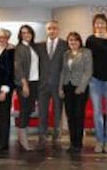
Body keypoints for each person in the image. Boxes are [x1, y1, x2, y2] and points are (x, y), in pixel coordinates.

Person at [85, 14, 107, 153]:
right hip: (95, 80)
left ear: (106, 24)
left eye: (102, 22)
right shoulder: (90, 40)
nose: (99, 25)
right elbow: (87, 60)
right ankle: (99, 141)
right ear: (94, 25)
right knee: (97, 113)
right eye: (97, 23)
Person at [36, 20, 67, 151]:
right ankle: (42, 135)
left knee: (57, 111)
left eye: (54, 28)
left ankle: (57, 135)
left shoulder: (65, 45)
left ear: (58, 30)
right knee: (42, 111)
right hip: (42, 85)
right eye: (49, 28)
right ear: (46, 30)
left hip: (57, 84)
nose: (52, 30)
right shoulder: (39, 46)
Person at [59, 32, 92, 153]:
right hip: (67, 87)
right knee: (70, 116)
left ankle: (78, 143)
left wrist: (81, 87)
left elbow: (88, 71)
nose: (73, 42)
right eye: (71, 40)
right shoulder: (66, 54)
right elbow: (63, 72)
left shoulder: (86, 53)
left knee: (78, 115)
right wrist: (60, 88)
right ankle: (72, 143)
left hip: (80, 88)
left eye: (76, 40)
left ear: (80, 41)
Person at [14, 25, 39, 151]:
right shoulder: (19, 48)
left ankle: (21, 137)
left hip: (35, 82)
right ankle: (23, 141)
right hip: (25, 83)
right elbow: (18, 68)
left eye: (28, 32)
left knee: (29, 109)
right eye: (23, 33)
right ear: (20, 35)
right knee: (24, 110)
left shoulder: (33, 47)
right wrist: (24, 84)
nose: (26, 35)